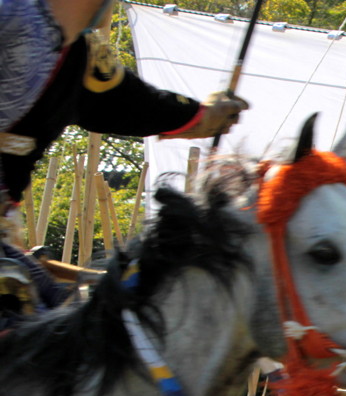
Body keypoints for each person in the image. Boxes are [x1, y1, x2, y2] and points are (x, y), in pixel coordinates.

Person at [0, 0, 247, 326]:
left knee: (60, 325)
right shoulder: (11, 16)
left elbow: (132, 104)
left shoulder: (82, 57)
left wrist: (203, 115)